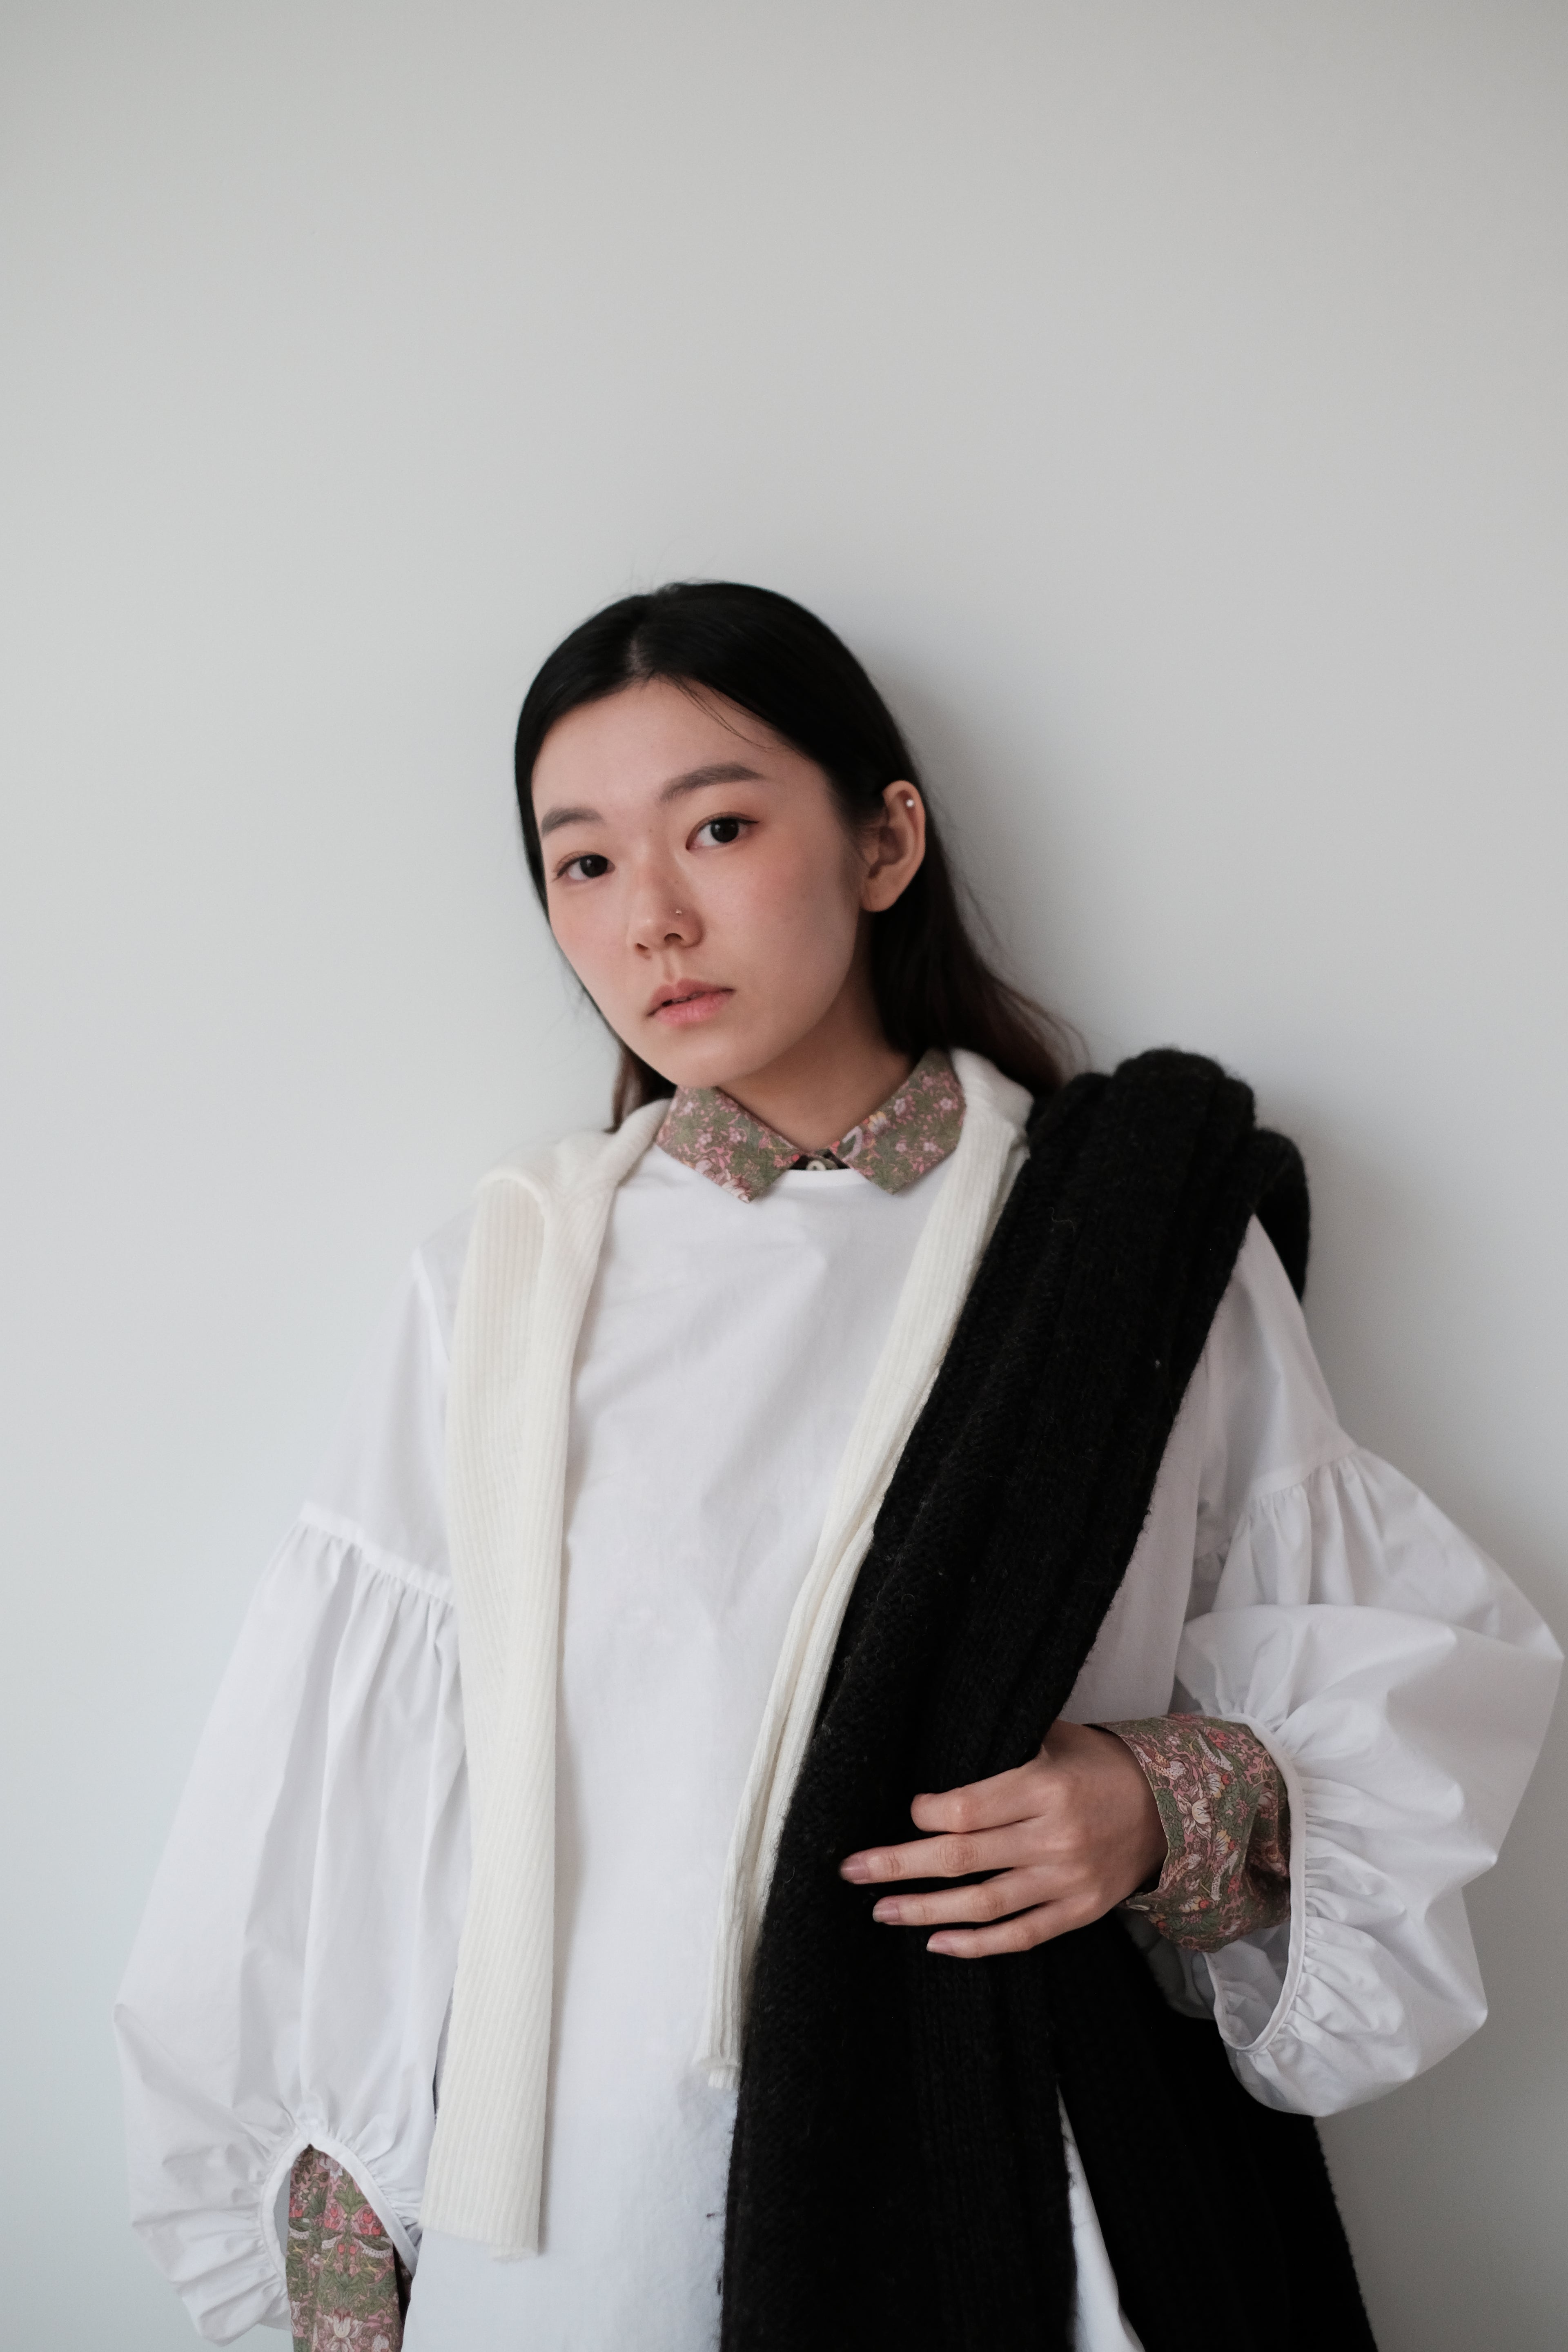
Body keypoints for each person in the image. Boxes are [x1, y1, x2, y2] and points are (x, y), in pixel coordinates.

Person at [116, 582, 1559, 2352]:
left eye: (719, 829)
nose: (652, 917)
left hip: (1014, 2167)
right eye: (584, 864)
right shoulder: (503, 1285)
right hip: (590, 2210)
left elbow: (1389, 1676)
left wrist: (1155, 1798)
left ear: (886, 844)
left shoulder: (1118, 1242)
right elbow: (345, 1833)